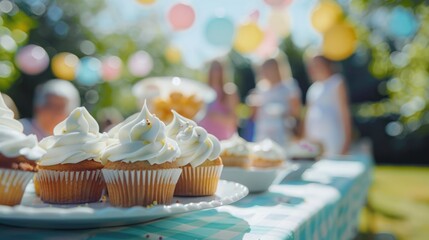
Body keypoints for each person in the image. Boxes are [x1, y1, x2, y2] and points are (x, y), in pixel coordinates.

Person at [304, 55, 352, 156]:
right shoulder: (313, 89)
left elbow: (345, 113)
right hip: (315, 143)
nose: (314, 68)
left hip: (333, 139)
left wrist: (347, 142)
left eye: (317, 64)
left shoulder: (337, 82)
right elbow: (308, 116)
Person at [250, 58, 302, 147]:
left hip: (283, 134)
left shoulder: (289, 86)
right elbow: (254, 117)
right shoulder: (260, 88)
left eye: (269, 68)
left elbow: (296, 113)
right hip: (263, 133)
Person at [199, 60, 239, 140]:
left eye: (218, 68)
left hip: (222, 140)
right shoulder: (202, 91)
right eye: (213, 68)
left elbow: (233, 121)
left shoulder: (229, 91)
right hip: (203, 139)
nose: (215, 72)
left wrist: (216, 116)